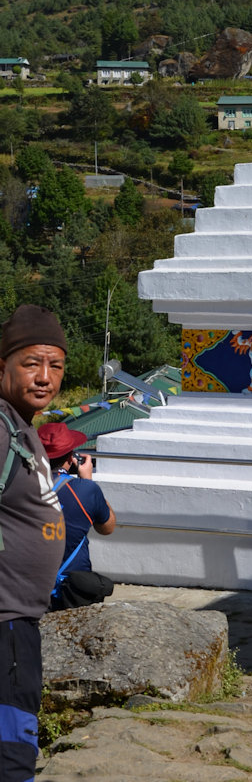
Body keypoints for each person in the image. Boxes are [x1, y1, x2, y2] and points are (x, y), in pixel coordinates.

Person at [0, 305, 67, 782]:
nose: (45, 377)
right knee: (12, 753)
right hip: (4, 622)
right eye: (31, 363)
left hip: (20, 617)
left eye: (56, 365)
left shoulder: (19, 423)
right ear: (1, 367)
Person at [38, 422, 116, 609]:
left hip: (25, 585)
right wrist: (88, 481)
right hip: (69, 589)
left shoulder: (17, 486)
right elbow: (107, 527)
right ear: (71, 457)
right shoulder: (85, 490)